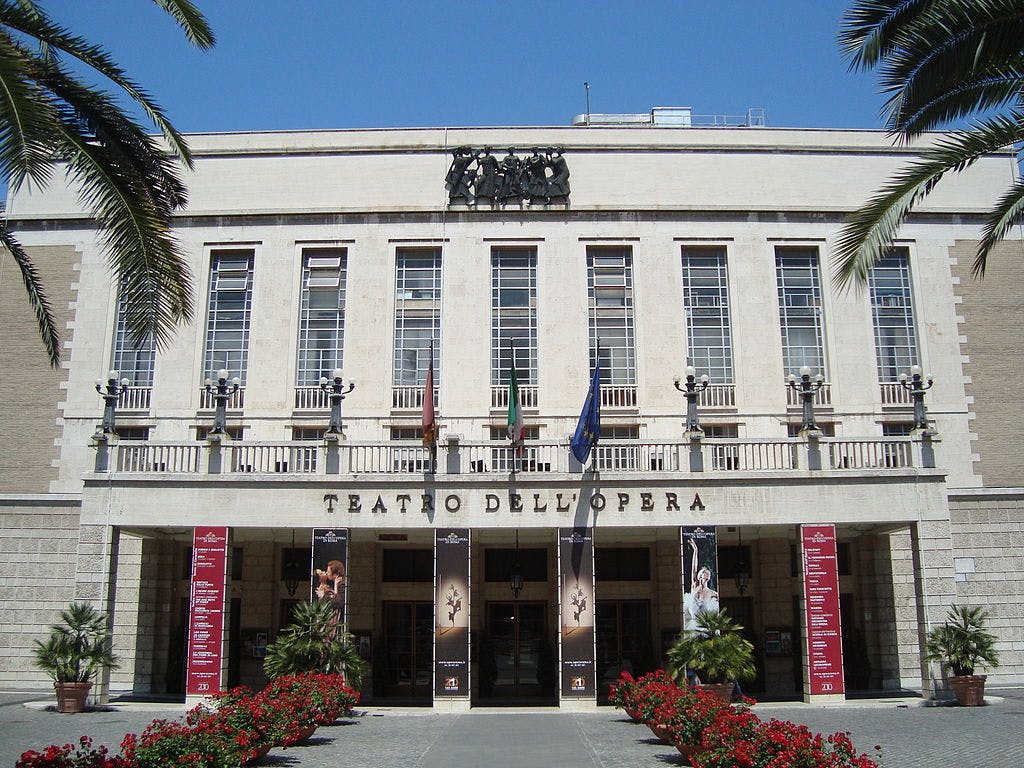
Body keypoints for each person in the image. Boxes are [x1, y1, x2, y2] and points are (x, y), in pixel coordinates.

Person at [683, 537, 719, 630]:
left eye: (708, 573)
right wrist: (695, 550)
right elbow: (694, 568)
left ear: (709, 577)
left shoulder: (712, 593)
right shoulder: (695, 585)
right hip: (692, 625)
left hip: (705, 626)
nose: (706, 574)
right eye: (704, 572)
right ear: (700, 576)